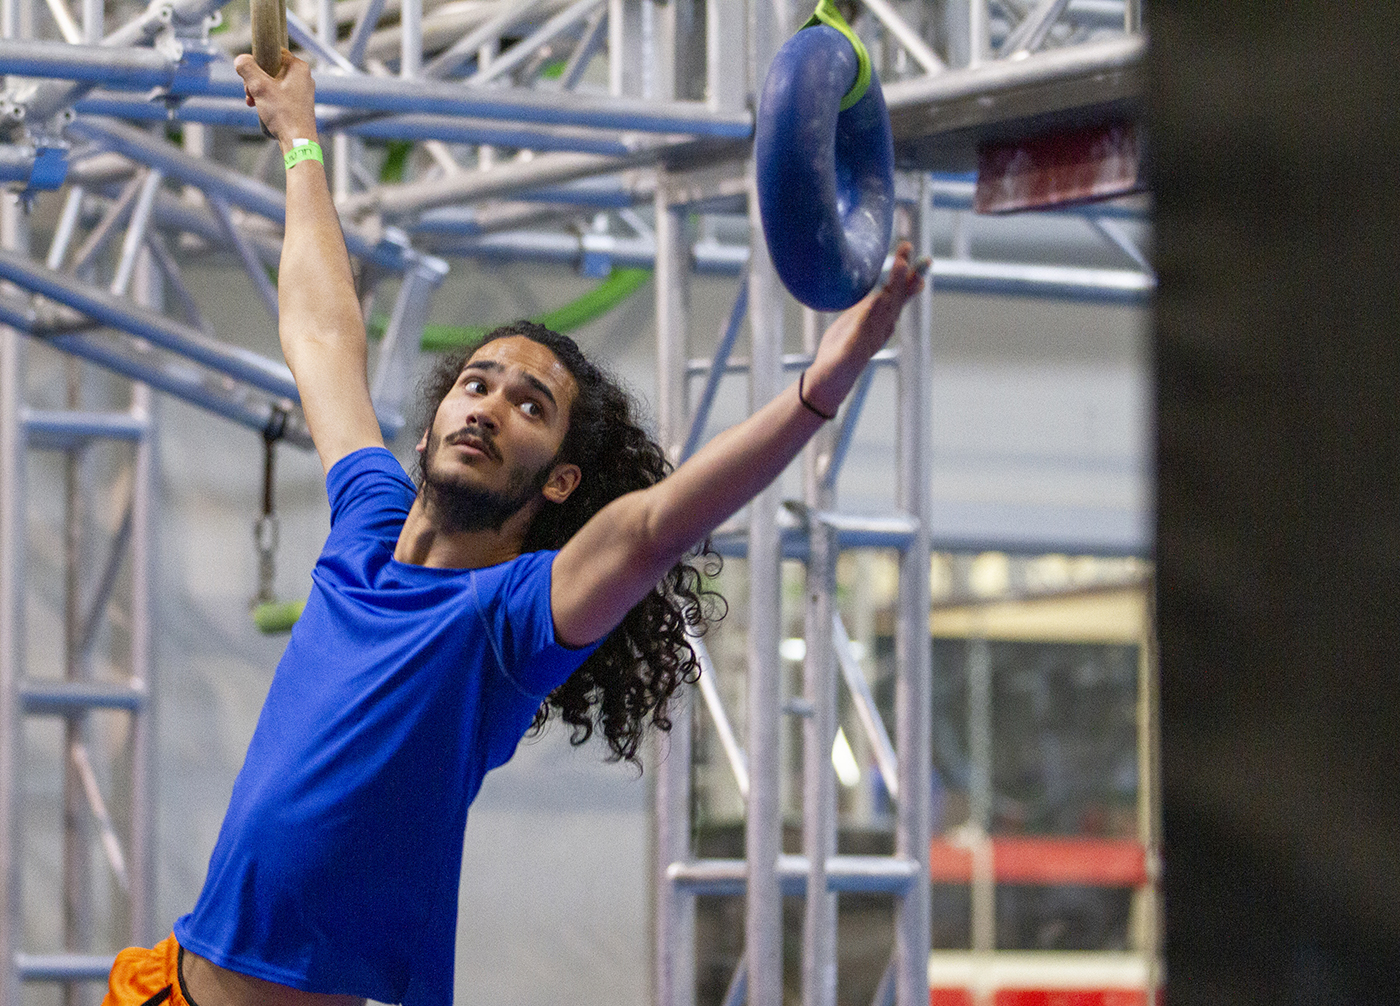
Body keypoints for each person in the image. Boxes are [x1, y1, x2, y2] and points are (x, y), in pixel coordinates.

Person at [102, 48, 926, 1006]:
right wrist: (299, 141)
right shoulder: (364, 525)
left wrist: (817, 392)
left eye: (530, 406)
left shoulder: (505, 623)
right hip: (167, 990)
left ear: (562, 478)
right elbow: (323, 333)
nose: (487, 407)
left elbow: (652, 528)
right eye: (475, 383)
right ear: (439, 416)